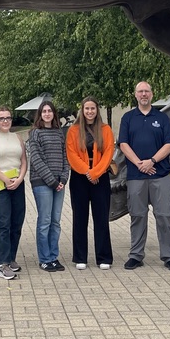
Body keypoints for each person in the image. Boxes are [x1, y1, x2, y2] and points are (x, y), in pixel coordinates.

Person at [118, 81, 170, 272]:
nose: (143, 94)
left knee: (164, 216)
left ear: (152, 94)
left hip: (160, 175)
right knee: (137, 216)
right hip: (136, 176)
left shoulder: (162, 118)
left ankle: (169, 256)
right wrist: (139, 163)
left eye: (147, 91)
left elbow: (168, 145)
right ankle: (136, 256)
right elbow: (123, 144)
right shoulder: (128, 118)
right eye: (140, 91)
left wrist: (151, 161)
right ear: (135, 95)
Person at [65, 96, 115, 270]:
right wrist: (87, 172)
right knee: (80, 218)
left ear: (97, 110)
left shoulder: (105, 129)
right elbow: (71, 154)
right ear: (82, 110)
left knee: (101, 218)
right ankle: (80, 257)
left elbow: (109, 152)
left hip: (101, 176)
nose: (89, 111)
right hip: (80, 177)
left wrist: (95, 172)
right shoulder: (73, 130)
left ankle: (104, 257)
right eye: (87, 108)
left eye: (92, 108)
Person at [0, 104, 28, 279]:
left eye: (8, 118)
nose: (5, 121)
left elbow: (24, 160)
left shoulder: (17, 137)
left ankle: (11, 258)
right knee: (3, 223)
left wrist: (19, 178)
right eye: (2, 118)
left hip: (17, 183)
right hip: (0, 184)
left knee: (17, 221)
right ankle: (2, 264)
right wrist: (4, 178)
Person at [26, 98, 69, 272]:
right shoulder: (35, 133)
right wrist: (51, 181)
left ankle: (53, 256)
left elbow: (66, 158)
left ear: (54, 114)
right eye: (44, 111)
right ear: (40, 114)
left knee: (56, 221)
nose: (47, 114)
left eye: (49, 111)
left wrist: (63, 179)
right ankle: (44, 259)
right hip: (42, 183)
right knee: (44, 221)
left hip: (59, 183)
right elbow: (36, 159)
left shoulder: (59, 132)